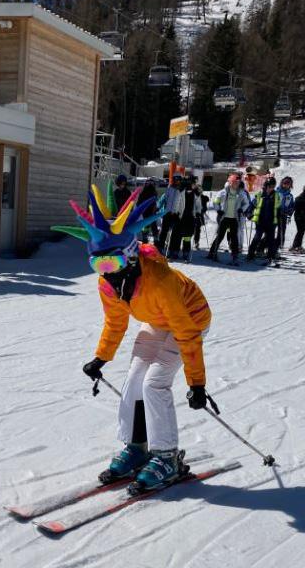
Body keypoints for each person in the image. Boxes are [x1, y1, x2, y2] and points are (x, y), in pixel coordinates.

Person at [60, 184, 212, 490]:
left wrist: (197, 384)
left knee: (154, 383)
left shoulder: (160, 281)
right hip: (156, 320)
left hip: (190, 319)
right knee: (134, 380)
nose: (106, 272)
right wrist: (101, 357)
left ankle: (167, 456)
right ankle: (137, 447)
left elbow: (186, 332)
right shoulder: (108, 284)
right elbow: (115, 322)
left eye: (111, 263)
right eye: (97, 264)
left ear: (129, 257)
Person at [208, 172, 251, 266]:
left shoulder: (241, 193)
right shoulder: (223, 192)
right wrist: (218, 210)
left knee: (234, 238)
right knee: (220, 236)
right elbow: (215, 202)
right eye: (235, 183)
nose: (237, 185)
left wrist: (242, 209)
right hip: (224, 218)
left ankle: (235, 256)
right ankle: (212, 253)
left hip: (234, 218)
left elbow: (247, 203)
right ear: (230, 182)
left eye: (238, 183)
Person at [246, 176, 281, 266]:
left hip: (271, 222)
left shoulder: (276, 196)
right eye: (269, 186)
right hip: (260, 221)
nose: (271, 188)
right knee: (257, 238)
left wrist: (279, 219)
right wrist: (249, 214)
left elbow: (278, 208)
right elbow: (251, 205)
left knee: (270, 240)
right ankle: (250, 255)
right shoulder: (260, 195)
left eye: (273, 186)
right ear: (266, 185)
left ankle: (270, 257)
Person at [170, 176, 202, 261]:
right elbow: (176, 202)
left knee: (187, 236)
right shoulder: (181, 191)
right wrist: (174, 213)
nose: (195, 185)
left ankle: (186, 252)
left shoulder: (196, 193)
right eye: (194, 183)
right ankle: (175, 251)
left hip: (190, 217)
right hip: (180, 216)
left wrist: (198, 213)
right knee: (177, 235)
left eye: (195, 184)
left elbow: (198, 204)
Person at [158, 173, 185, 255]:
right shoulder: (170, 188)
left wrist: (180, 214)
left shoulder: (182, 190)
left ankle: (171, 250)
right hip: (167, 213)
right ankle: (160, 247)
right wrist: (162, 209)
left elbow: (182, 203)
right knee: (164, 231)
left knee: (174, 233)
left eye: (178, 180)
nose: (177, 182)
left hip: (176, 214)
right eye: (175, 180)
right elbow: (165, 199)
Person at [289, 184, 305, 253]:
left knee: (301, 232)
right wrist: (290, 215)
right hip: (299, 217)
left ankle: (297, 245)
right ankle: (295, 246)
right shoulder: (300, 198)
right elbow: (295, 207)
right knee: (300, 231)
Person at [138, 178, 159, 246]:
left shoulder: (154, 193)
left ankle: (155, 242)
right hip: (146, 213)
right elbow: (139, 203)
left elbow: (156, 203)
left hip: (151, 213)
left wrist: (156, 209)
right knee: (147, 227)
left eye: (151, 183)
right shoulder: (143, 193)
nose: (150, 185)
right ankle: (145, 241)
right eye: (148, 183)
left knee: (153, 228)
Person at [276, 175, 295, 250]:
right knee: (270, 231)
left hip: (283, 215)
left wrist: (289, 213)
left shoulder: (290, 196)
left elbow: (291, 206)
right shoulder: (277, 193)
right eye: (285, 183)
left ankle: (280, 245)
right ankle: (265, 245)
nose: (286, 185)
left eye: (288, 184)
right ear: (282, 183)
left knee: (282, 231)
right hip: (274, 214)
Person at [193, 185, 207, 249]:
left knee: (197, 229)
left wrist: (202, 210)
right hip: (191, 215)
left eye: (201, 190)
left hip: (199, 216)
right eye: (199, 190)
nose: (200, 191)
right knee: (191, 229)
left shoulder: (203, 198)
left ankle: (196, 242)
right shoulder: (192, 196)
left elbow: (205, 208)